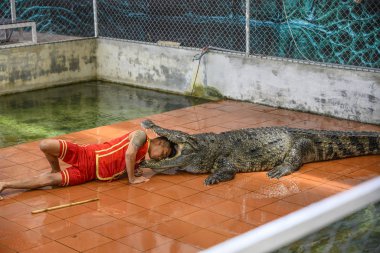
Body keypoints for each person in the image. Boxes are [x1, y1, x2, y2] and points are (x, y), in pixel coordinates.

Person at [0, 129, 176, 197]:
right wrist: (132, 179)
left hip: (88, 174)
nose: (162, 157)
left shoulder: (141, 158)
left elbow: (130, 159)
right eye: (165, 153)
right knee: (44, 144)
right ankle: (54, 168)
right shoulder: (142, 135)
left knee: (50, 181)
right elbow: (129, 154)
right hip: (86, 154)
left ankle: (5, 184)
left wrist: (134, 171)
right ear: (159, 143)